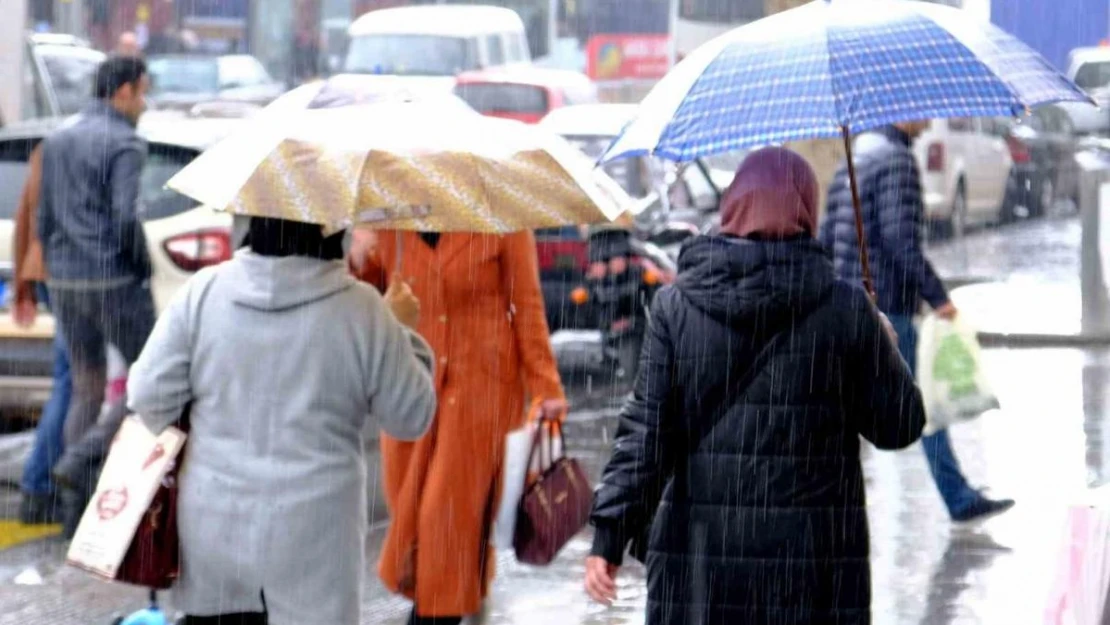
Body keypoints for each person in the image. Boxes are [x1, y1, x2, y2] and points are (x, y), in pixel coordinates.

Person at [585, 147, 926, 624]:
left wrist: (608, 537)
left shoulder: (676, 306)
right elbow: (900, 426)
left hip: (704, 561)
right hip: (810, 566)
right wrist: (882, 343)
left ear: (732, 207)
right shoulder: (843, 309)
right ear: (807, 210)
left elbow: (647, 430)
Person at [127, 217, 437, 624]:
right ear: (331, 231)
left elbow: (148, 396)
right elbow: (411, 417)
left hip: (214, 531)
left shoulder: (204, 293)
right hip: (316, 542)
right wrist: (403, 334)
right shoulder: (362, 310)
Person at [349, 229, 567, 625]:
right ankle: (448, 597)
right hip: (410, 386)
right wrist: (359, 260)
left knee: (445, 520)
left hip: (480, 390)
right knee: (412, 526)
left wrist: (545, 385)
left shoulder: (499, 216)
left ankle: (435, 614)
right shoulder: (389, 220)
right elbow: (363, 305)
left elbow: (526, 303)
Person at [820, 122, 1016, 523]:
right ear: (898, 114)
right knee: (920, 404)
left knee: (840, 409)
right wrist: (938, 297)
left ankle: (832, 505)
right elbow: (899, 240)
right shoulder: (895, 160)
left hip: (845, 304)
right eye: (919, 112)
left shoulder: (854, 157)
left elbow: (828, 234)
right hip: (885, 306)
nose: (928, 121)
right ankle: (958, 497)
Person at [38, 56, 155, 526]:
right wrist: (140, 267)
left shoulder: (59, 139)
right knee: (150, 378)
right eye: (143, 92)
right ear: (124, 91)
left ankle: (74, 512)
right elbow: (126, 217)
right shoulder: (125, 144)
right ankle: (82, 459)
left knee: (86, 385)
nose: (145, 104)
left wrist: (55, 270)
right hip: (112, 277)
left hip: (65, 278)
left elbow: (44, 218)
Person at [12, 144, 72, 525]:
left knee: (72, 380)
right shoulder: (98, 147)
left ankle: (44, 485)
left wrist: (23, 283)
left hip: (48, 270)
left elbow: (23, 218)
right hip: (74, 274)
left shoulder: (50, 149)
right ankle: (40, 485)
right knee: (76, 382)